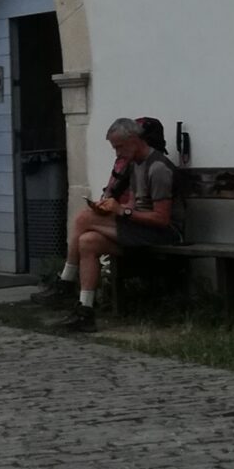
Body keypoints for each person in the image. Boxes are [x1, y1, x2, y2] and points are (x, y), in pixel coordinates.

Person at [64, 117, 181, 329]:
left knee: (83, 218)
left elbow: (162, 219)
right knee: (88, 241)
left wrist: (122, 211)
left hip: (164, 234)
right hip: (141, 229)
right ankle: (85, 310)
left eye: (119, 147)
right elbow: (133, 204)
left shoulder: (158, 168)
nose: (117, 153)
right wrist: (110, 208)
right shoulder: (136, 164)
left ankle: (64, 283)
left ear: (134, 140)